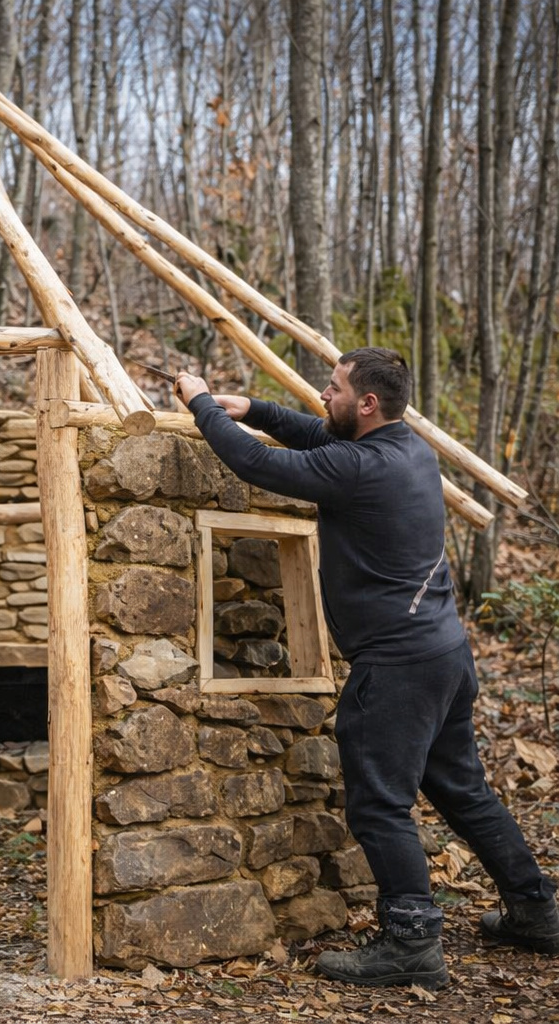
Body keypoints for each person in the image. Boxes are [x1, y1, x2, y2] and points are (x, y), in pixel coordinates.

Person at [172, 347, 557, 989]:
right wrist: (256, 408)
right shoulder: (409, 449)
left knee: (379, 805)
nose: (324, 395)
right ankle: (537, 910)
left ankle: (411, 941)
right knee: (464, 790)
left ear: (368, 402)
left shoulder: (355, 468)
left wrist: (202, 401)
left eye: (334, 387)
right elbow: (319, 436)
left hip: (399, 668)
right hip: (443, 655)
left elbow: (255, 461)